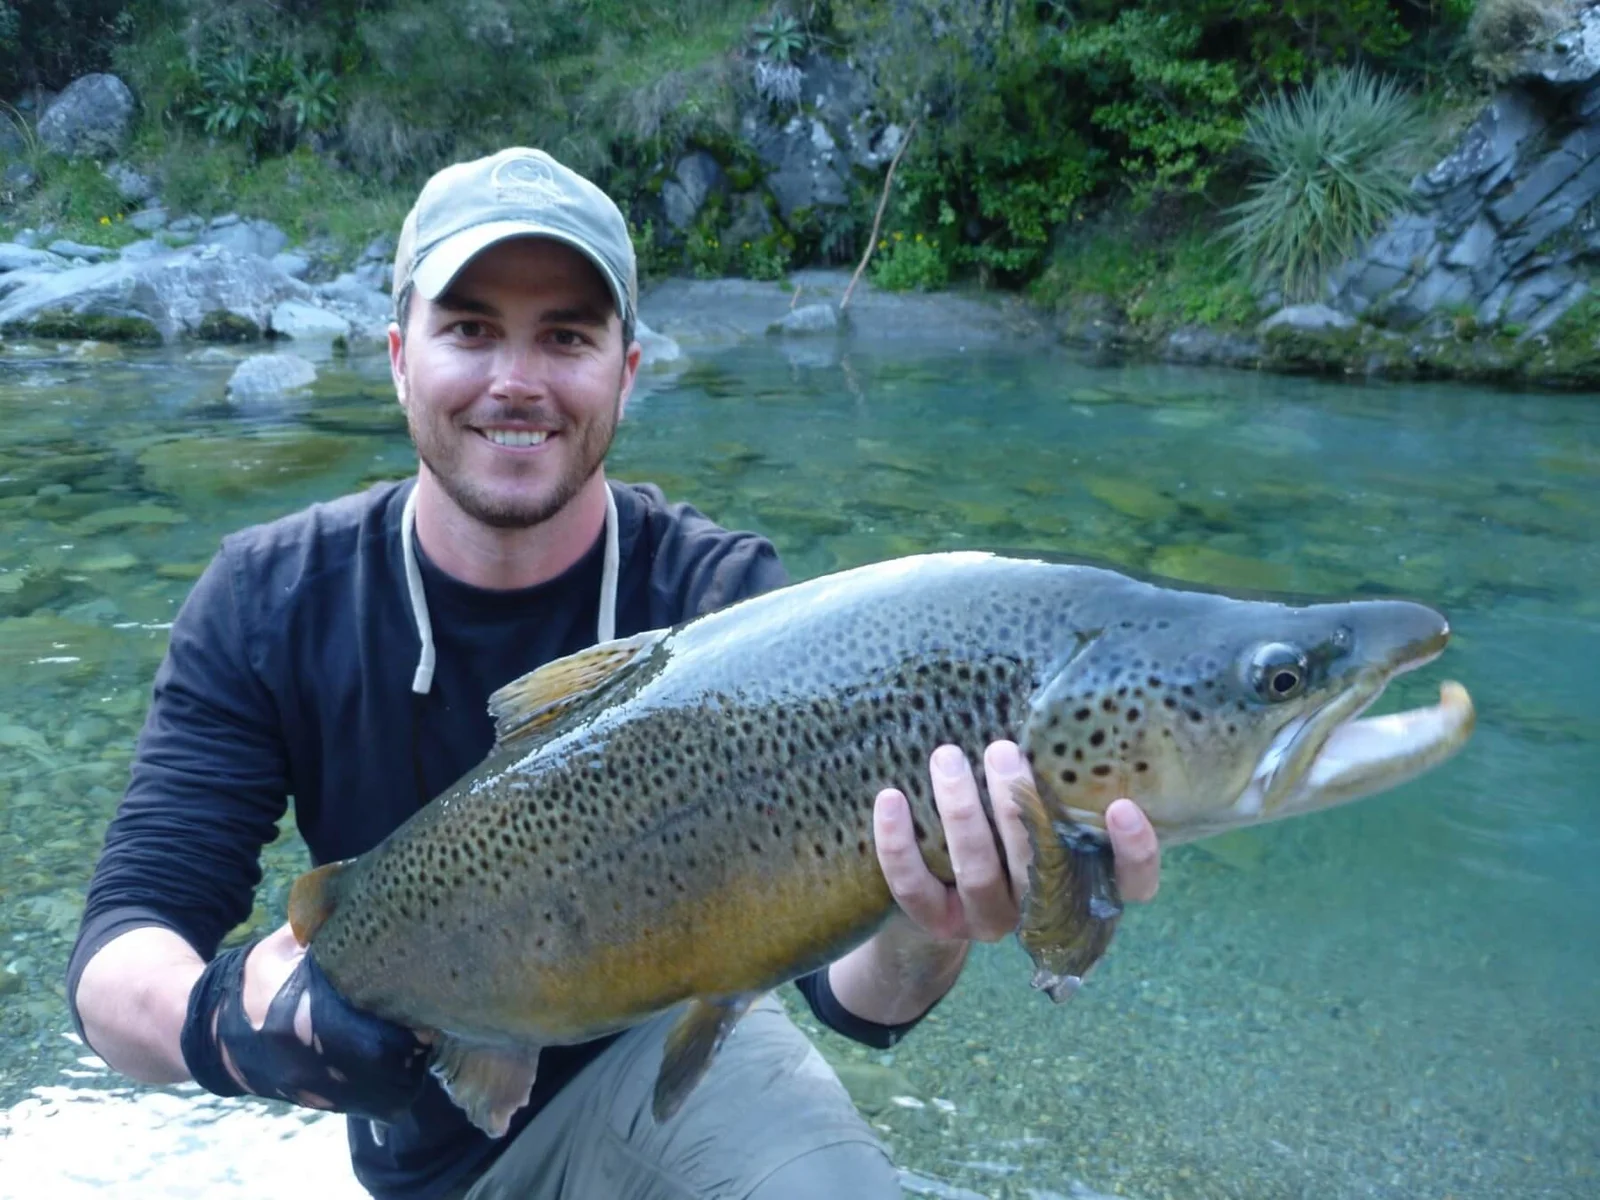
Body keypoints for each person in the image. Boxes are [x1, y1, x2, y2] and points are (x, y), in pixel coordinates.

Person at [66, 147, 1163, 1200]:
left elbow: (848, 998)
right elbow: (120, 956)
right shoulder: (268, 599)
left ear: (626, 373)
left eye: (566, 337)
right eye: (468, 329)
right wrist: (229, 1026)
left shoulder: (726, 606)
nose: (516, 381)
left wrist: (933, 921)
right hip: (423, 1159)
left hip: (670, 1077)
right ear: (399, 355)